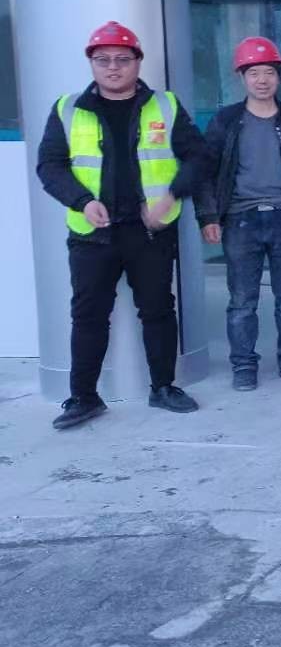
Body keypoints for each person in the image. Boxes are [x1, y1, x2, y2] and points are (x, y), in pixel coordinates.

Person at [36, 22, 208, 429]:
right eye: (103, 60)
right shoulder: (67, 109)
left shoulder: (165, 105)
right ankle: (84, 397)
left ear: (138, 62)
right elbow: (49, 166)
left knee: (158, 310)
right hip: (92, 233)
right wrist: (82, 201)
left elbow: (199, 157)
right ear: (91, 64)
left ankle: (163, 387)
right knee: (89, 316)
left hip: (149, 231)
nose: (113, 67)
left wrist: (172, 195)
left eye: (122, 59)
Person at [197, 37, 281, 391]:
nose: (262, 80)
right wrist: (208, 217)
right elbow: (205, 172)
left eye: (269, 72)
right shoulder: (226, 121)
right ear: (241, 78)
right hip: (241, 219)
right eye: (254, 73)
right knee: (242, 301)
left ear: (279, 77)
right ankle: (243, 366)